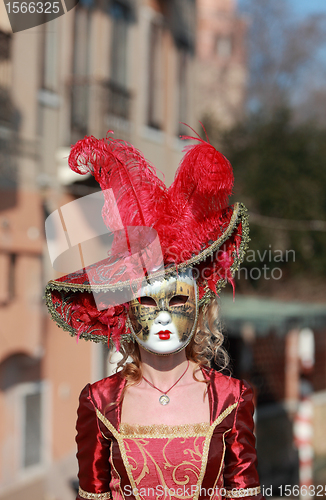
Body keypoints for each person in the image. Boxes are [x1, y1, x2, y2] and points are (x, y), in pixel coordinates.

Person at [45, 128, 264, 500]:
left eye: (177, 302)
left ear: (199, 308)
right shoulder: (99, 402)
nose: (162, 317)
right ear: (124, 312)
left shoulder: (231, 398)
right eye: (147, 303)